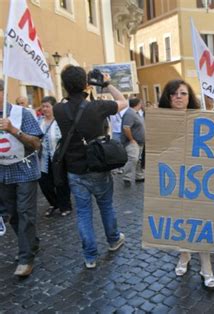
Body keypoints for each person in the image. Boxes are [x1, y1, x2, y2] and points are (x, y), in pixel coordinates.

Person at [54, 65, 128, 269]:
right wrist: (108, 84)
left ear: (64, 86)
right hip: (98, 166)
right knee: (106, 206)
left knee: (84, 212)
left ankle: (90, 257)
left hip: (75, 170)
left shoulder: (58, 109)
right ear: (86, 84)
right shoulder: (97, 107)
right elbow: (123, 102)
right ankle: (113, 240)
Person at [159, 79, 214, 288]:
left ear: (189, 97)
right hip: (173, 177)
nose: (178, 97)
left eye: (183, 93)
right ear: (168, 97)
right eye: (174, 93)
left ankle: (206, 266)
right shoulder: (160, 119)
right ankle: (184, 255)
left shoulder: (199, 118)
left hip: (198, 177)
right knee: (180, 221)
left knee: (201, 222)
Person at [0, 79, 43, 276]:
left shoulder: (21, 114)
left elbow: (36, 143)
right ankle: (31, 243)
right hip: (3, 174)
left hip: (24, 171)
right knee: (13, 214)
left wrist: (14, 130)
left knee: (26, 212)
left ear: (2, 92)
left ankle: (26, 258)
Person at [38, 96, 73, 217]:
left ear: (54, 107)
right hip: (43, 158)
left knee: (61, 182)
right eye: (43, 106)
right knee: (44, 183)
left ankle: (65, 205)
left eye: (47, 106)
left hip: (58, 157)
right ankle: (54, 203)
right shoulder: (39, 121)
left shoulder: (60, 121)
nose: (44, 109)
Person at [121, 97, 145, 186]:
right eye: (141, 103)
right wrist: (131, 139)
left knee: (139, 159)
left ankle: (139, 176)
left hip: (139, 141)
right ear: (138, 104)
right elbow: (126, 127)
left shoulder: (136, 113)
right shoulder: (130, 113)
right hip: (132, 142)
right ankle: (126, 175)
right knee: (133, 158)